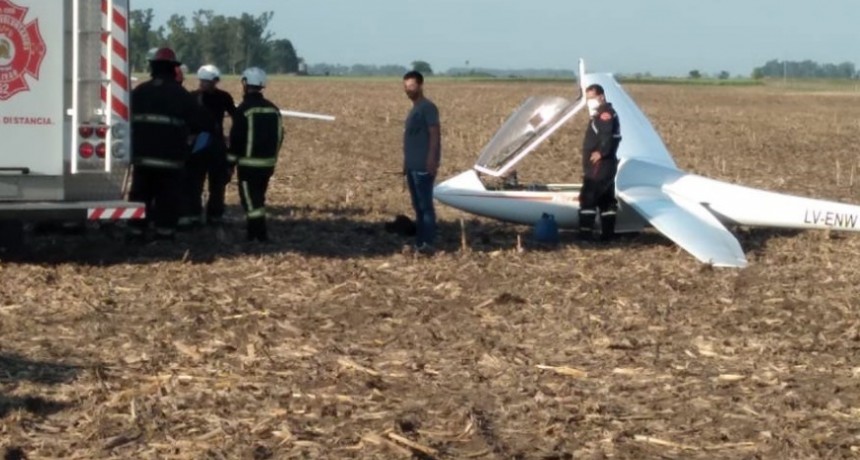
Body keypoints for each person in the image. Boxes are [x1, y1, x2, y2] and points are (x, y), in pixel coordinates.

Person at [128, 47, 201, 240]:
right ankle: (164, 233)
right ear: (172, 68)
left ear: (152, 67)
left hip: (142, 158)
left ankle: (136, 232)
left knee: (140, 196)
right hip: (171, 160)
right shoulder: (182, 95)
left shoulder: (139, 92)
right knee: (167, 198)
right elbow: (200, 123)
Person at [227, 67, 283, 242]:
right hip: (267, 164)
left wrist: (229, 164)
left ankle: (258, 234)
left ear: (245, 84)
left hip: (248, 165)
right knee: (258, 197)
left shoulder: (244, 110)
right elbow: (280, 136)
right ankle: (256, 234)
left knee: (250, 202)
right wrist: (273, 159)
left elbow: (236, 139)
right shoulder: (273, 109)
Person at [180, 64, 236, 228]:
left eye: (208, 81)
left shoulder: (198, 97)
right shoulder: (218, 97)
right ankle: (198, 215)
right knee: (196, 182)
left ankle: (212, 215)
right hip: (205, 143)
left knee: (215, 183)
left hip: (209, 143)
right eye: (203, 81)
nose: (205, 84)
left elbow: (235, 117)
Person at [402, 70, 441, 254]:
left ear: (420, 85)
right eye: (406, 87)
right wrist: (405, 164)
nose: (409, 90)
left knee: (425, 206)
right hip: (412, 166)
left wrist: (432, 159)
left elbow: (434, 134)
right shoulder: (414, 109)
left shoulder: (427, 108)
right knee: (417, 206)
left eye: (412, 86)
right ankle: (419, 242)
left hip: (423, 166)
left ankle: (428, 243)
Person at [578, 83, 622, 241]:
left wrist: (601, 152)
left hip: (600, 165)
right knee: (606, 200)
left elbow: (607, 134)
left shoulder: (605, 114)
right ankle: (607, 235)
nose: (589, 102)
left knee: (588, 197)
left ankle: (585, 235)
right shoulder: (601, 113)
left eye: (591, 98)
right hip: (607, 164)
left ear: (601, 96)